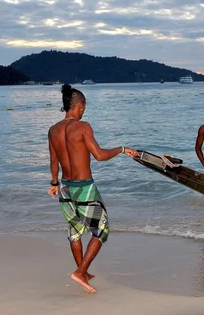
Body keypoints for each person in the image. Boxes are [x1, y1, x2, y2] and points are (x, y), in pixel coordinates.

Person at [47, 84, 138, 294]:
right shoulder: (83, 126)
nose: (83, 111)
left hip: (65, 188)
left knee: (75, 232)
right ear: (79, 105)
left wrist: (53, 183)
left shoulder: (53, 130)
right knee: (101, 230)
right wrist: (122, 149)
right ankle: (80, 272)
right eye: (83, 107)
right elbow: (99, 155)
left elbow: (53, 160)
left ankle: (83, 272)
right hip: (84, 188)